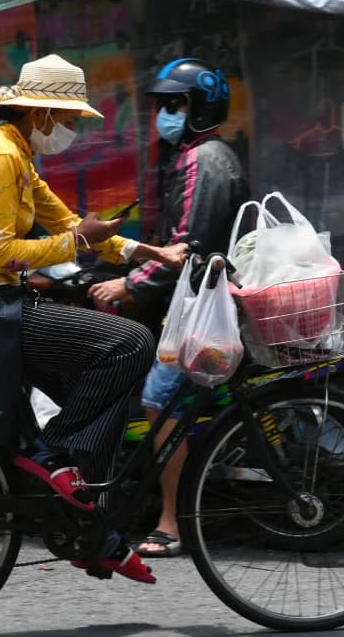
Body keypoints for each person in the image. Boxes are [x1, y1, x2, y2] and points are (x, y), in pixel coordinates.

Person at [0, 54, 188, 584]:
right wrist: (77, 240)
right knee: (131, 343)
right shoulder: (1, 158)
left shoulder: (17, 155)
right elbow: (0, 254)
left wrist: (153, 253)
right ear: (41, 114)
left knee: (105, 407)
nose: (69, 130)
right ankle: (52, 458)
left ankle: (92, 534)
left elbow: (72, 223)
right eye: (67, 121)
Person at [88, 58, 250, 558]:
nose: (164, 115)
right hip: (195, 297)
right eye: (162, 106)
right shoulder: (192, 156)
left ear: (200, 109)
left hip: (202, 304)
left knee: (161, 401)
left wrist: (130, 284)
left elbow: (189, 245)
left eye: (175, 105)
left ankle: (170, 523)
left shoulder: (206, 160)